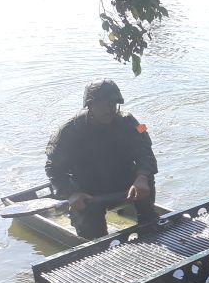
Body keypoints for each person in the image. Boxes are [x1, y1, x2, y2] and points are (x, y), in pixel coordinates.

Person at [45, 79, 158, 239]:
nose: (108, 110)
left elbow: (145, 153)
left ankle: (149, 223)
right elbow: (53, 168)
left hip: (125, 184)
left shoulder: (130, 123)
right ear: (90, 105)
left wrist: (142, 177)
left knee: (147, 178)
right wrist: (72, 193)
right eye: (102, 105)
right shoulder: (69, 131)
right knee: (93, 238)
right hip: (89, 193)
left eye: (112, 105)